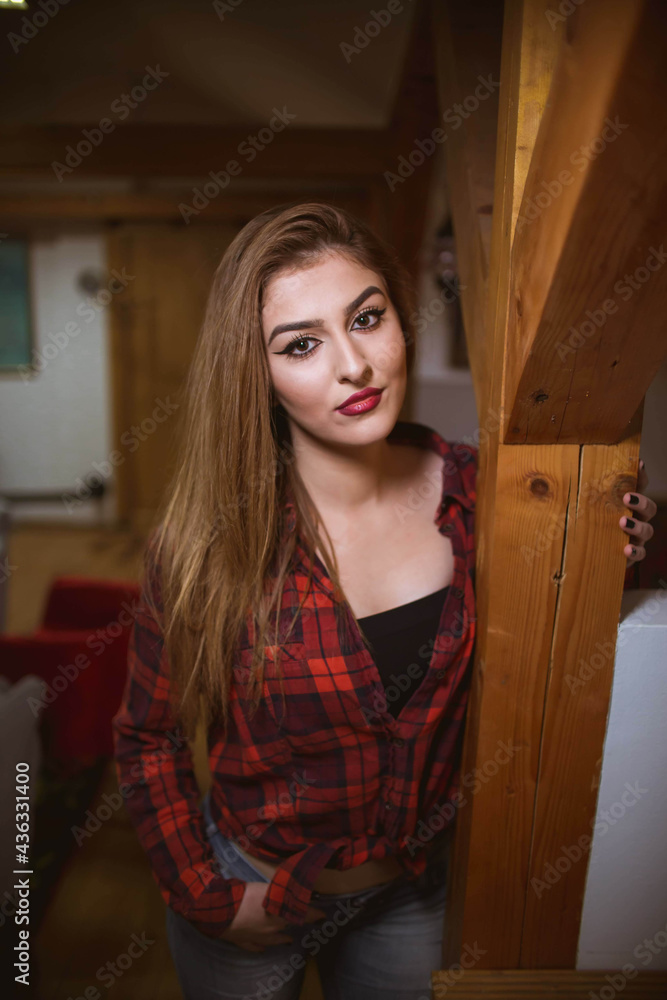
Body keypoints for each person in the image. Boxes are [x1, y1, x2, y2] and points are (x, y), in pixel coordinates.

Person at [111, 202, 655, 1000]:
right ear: (255, 374)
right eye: (301, 344)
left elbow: (568, 637)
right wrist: (208, 895)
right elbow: (147, 739)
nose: (353, 366)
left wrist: (618, 542)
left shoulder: (492, 498)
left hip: (412, 897)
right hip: (253, 895)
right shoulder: (205, 542)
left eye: (366, 319)